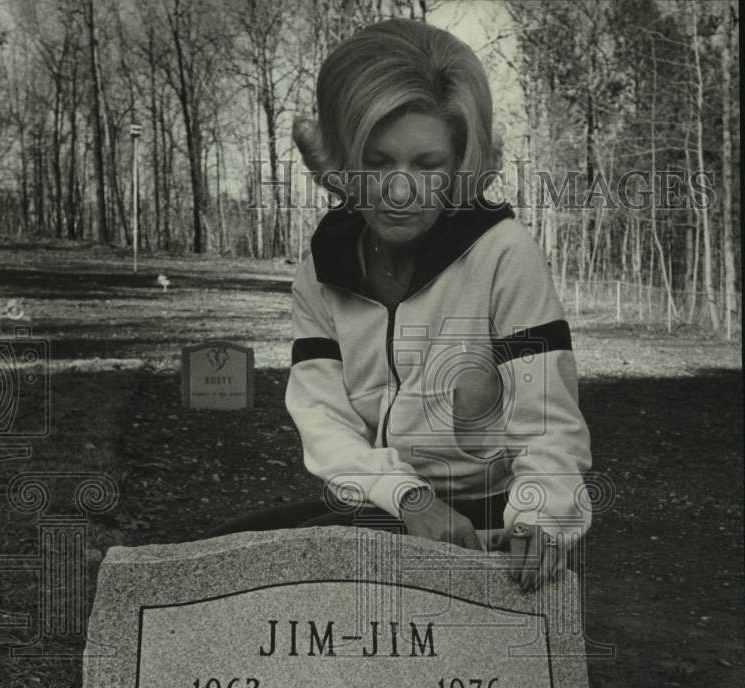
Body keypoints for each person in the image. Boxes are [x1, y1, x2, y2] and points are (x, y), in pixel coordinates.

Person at [220, 17, 592, 593]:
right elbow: (325, 422)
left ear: (460, 165)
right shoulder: (321, 269)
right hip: (388, 501)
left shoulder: (503, 253)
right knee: (221, 558)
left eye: (427, 165)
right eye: (377, 162)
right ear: (344, 161)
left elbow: (547, 421)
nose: (399, 191)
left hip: (495, 512)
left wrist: (542, 521)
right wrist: (410, 498)